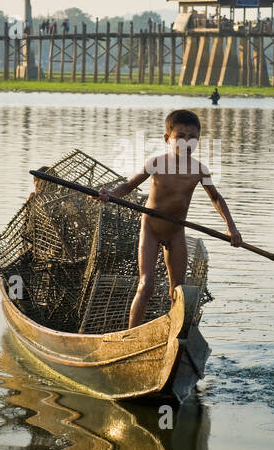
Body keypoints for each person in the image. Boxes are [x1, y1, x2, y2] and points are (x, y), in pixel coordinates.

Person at [99, 110, 241, 329]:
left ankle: (174, 333)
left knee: (178, 289)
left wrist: (232, 229)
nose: (186, 142)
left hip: (176, 233)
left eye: (192, 138)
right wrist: (109, 194)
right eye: (180, 136)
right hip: (151, 229)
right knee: (146, 285)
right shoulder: (156, 163)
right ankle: (131, 334)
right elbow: (127, 187)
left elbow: (216, 199)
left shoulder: (199, 170)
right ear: (168, 139)